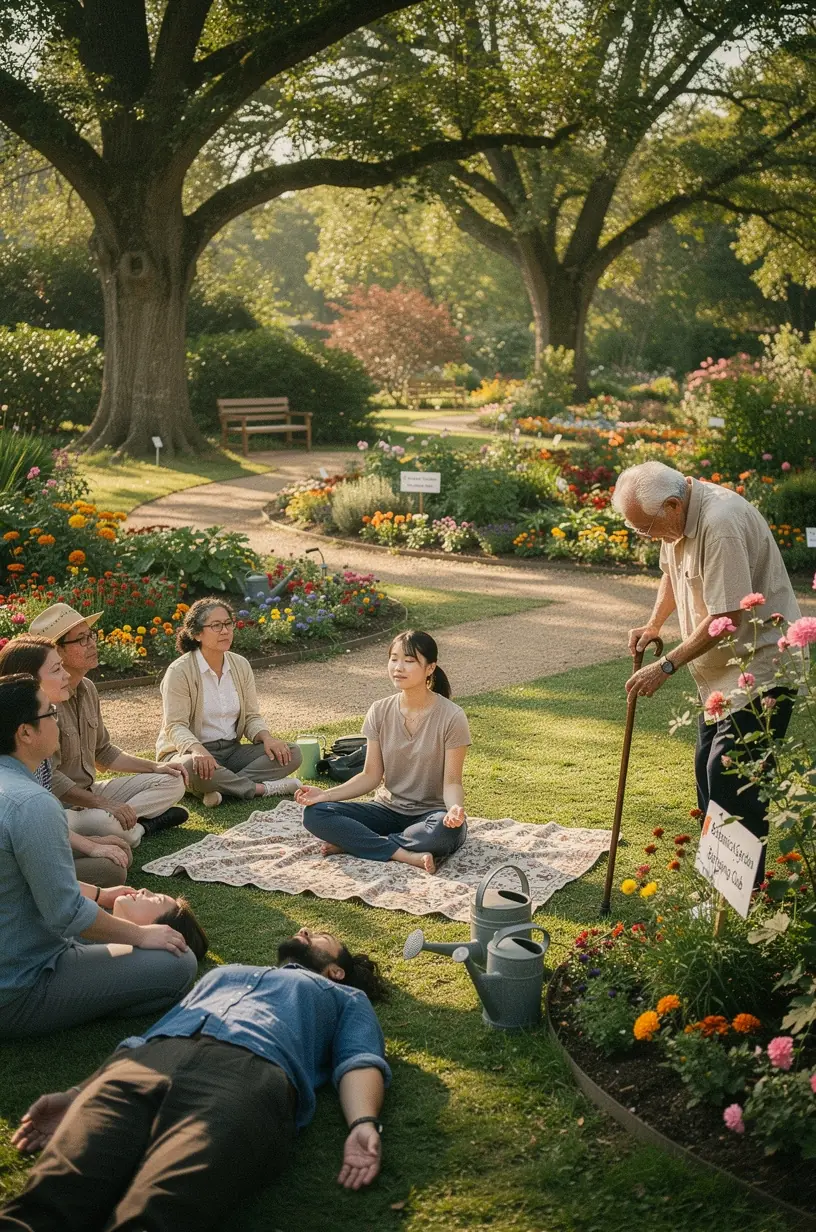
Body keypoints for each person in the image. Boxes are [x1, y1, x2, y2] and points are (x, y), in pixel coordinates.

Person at [1, 925, 390, 1232]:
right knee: (49, 1196)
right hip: (148, 1060)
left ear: (336, 970)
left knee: (159, 1209)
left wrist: (362, 1122)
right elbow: (146, 1035)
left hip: (245, 1077)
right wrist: (78, 1092)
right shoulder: (226, 973)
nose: (305, 930)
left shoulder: (343, 998)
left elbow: (357, 1060)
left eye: (320, 937)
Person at [612, 460, 801, 879]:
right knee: (707, 770)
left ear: (674, 505)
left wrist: (667, 664)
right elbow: (671, 573)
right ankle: (718, 887)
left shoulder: (720, 525)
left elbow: (727, 615)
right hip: (720, 676)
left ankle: (738, 899)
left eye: (646, 529)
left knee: (734, 782)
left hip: (760, 669)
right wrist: (654, 623)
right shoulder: (676, 521)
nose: (645, 536)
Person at [0, 674, 198, 1040]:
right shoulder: (32, 803)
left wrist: (101, 895)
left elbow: (33, 879)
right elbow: (65, 913)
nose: (58, 721)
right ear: (25, 732)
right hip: (20, 985)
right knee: (179, 963)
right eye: (51, 713)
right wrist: (139, 934)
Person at [299, 630, 470, 874]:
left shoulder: (452, 717)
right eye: (394, 658)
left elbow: (453, 781)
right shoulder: (379, 710)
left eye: (409, 661)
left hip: (430, 816)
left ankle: (356, 842)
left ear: (430, 668)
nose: (398, 667)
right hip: (386, 810)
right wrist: (325, 796)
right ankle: (403, 854)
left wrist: (454, 810)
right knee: (314, 814)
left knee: (443, 833)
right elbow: (370, 776)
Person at [28, 603, 189, 848]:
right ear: (57, 651)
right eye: (81, 639)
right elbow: (49, 778)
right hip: (61, 806)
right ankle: (141, 826)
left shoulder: (88, 689)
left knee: (174, 779)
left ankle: (124, 822)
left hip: (92, 793)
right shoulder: (40, 703)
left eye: (90, 635)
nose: (92, 643)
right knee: (102, 823)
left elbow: (103, 753)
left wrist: (156, 766)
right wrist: (104, 805)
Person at [0, 636, 133, 887]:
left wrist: (94, 844)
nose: (65, 676)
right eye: (56, 669)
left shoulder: (40, 732)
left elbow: (103, 751)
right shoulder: (20, 744)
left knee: (118, 852)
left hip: (43, 835)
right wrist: (93, 847)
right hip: (21, 861)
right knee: (110, 869)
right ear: (28, 679)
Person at [156, 596, 302, 807]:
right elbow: (175, 726)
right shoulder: (179, 672)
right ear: (197, 634)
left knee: (292, 753)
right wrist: (198, 751)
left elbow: (251, 716)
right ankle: (262, 788)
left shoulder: (240, 665)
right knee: (188, 768)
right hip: (188, 752)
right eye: (216, 626)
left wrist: (267, 738)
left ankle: (216, 787)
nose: (225, 631)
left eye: (228, 624)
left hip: (231, 752)